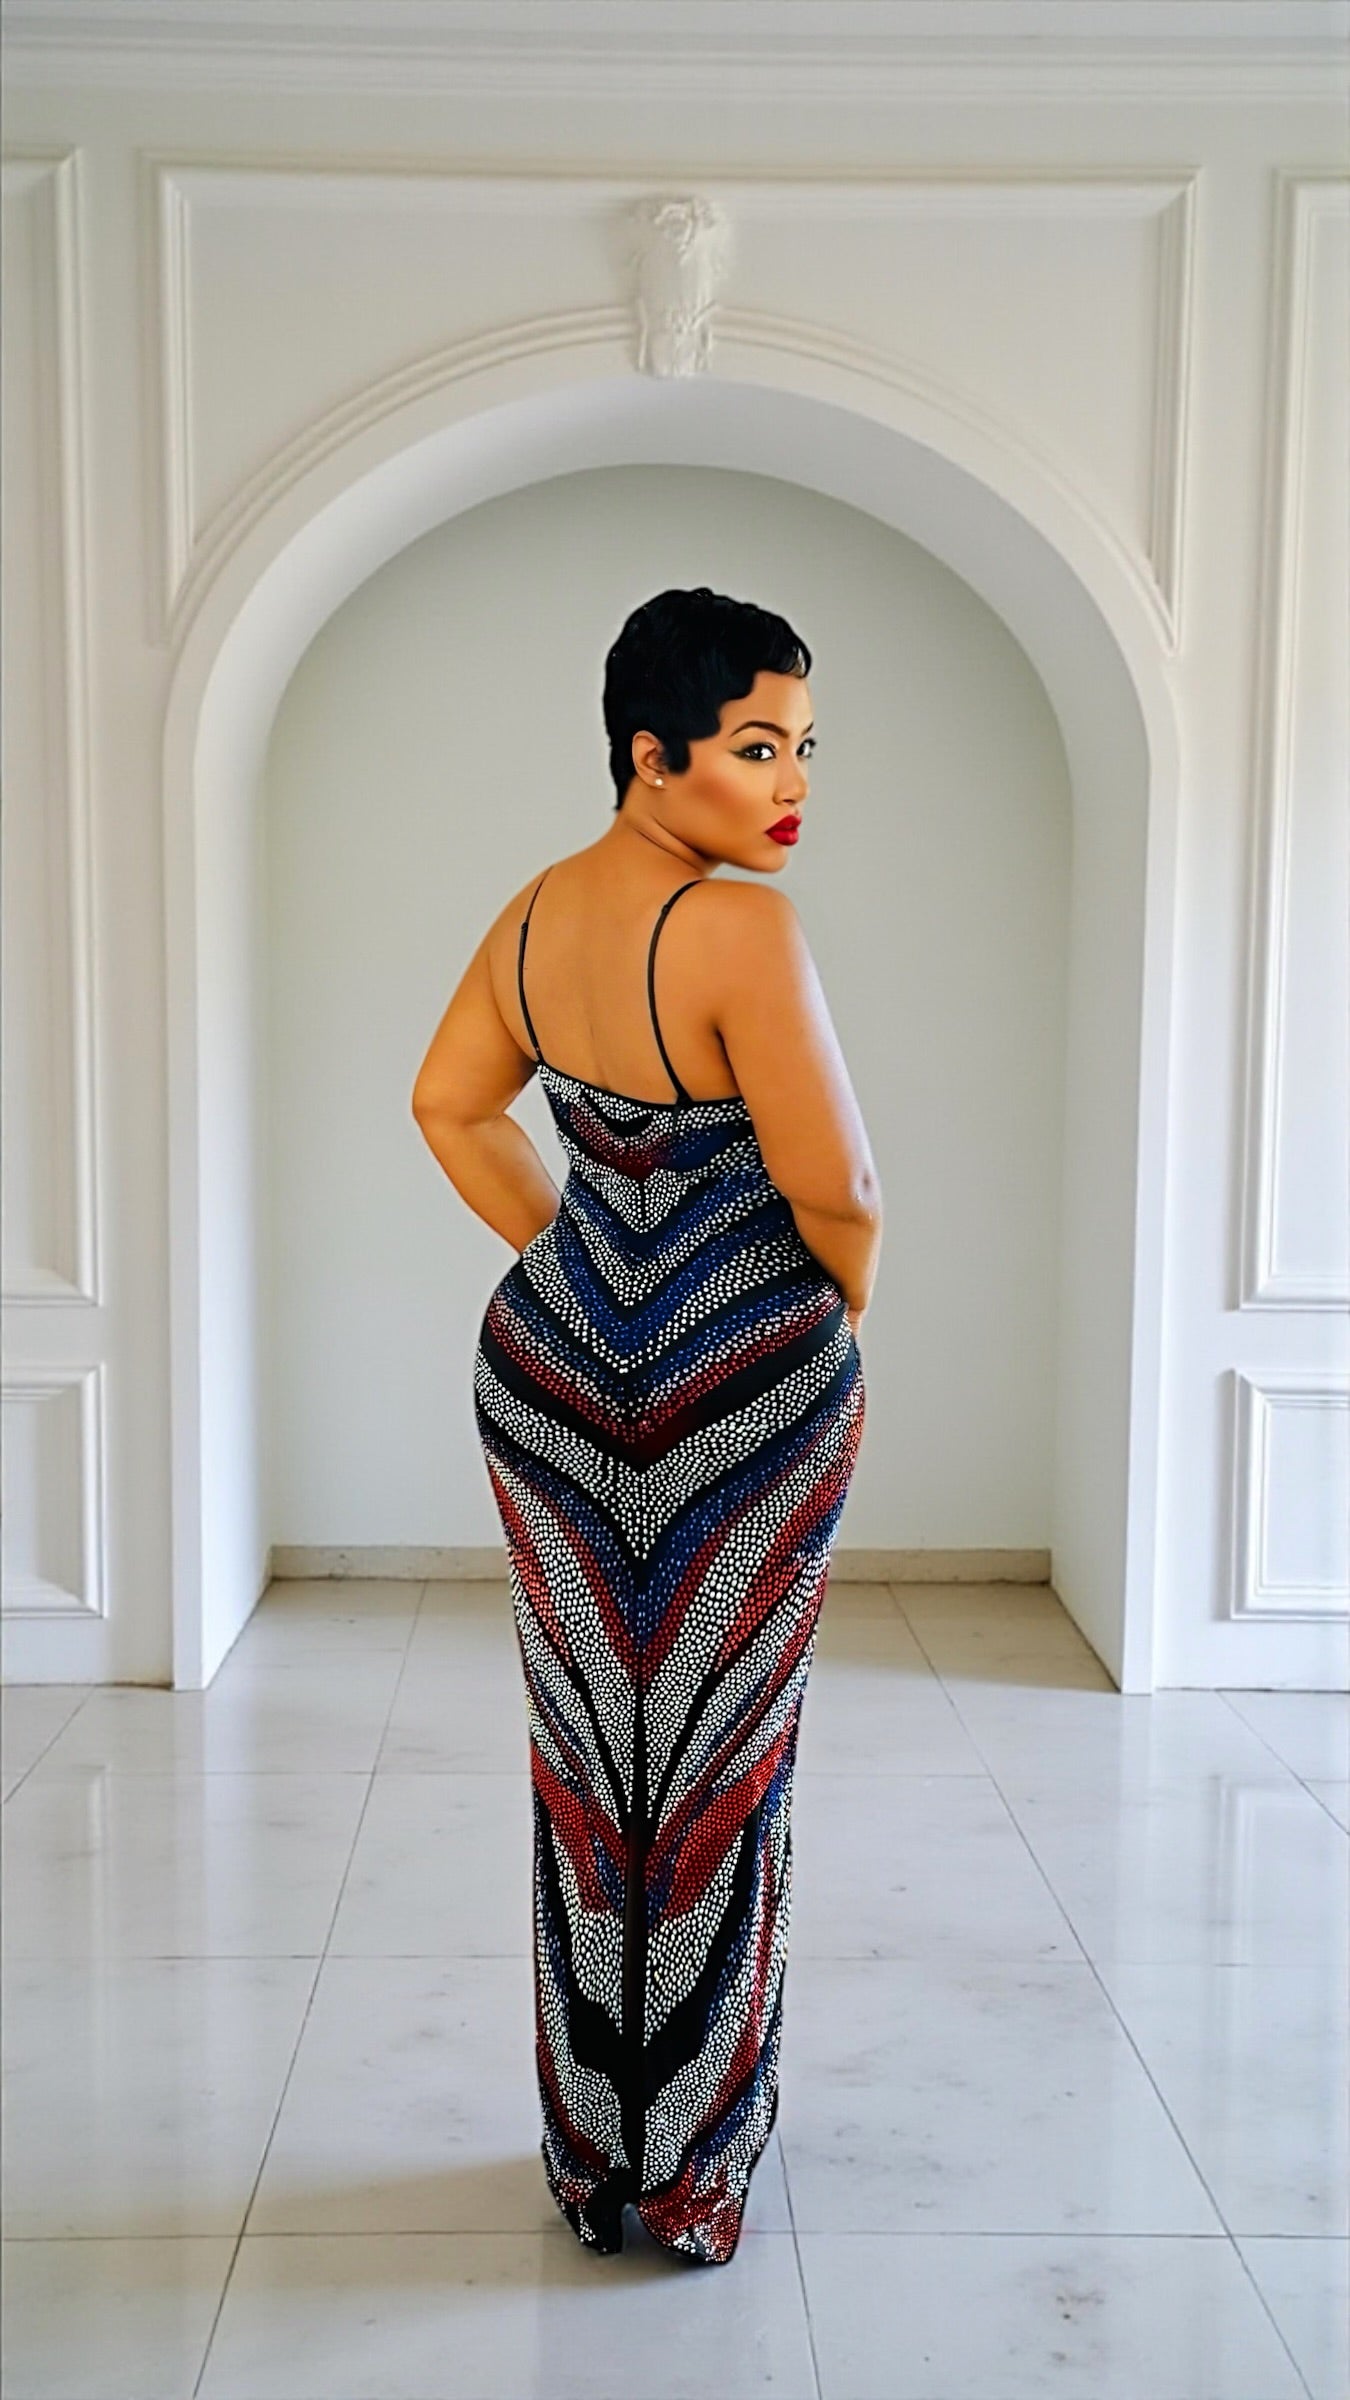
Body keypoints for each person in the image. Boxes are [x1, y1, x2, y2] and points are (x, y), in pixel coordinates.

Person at [411, 585, 882, 2264]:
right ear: (650, 753)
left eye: (803, 747)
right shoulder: (743, 929)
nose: (790, 784)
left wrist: (580, 1260)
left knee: (586, 1765)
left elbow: (446, 1103)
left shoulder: (533, 914)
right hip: (739, 1390)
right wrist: (825, 1320)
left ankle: (588, 2161)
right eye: (756, 746)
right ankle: (686, 2168)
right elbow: (839, 1186)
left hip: (546, 1378)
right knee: (715, 1768)